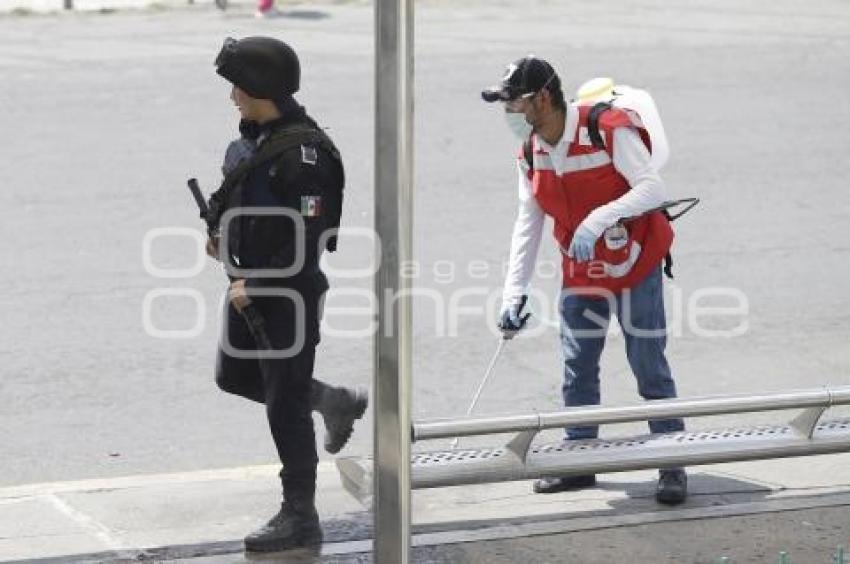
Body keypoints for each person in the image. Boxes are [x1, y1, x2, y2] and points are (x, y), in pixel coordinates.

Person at [482, 56, 688, 505]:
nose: (511, 116)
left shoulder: (608, 128)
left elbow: (651, 188)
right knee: (577, 368)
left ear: (543, 98)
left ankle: (672, 461)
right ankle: (579, 461)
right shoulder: (530, 152)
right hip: (582, 269)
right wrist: (513, 292)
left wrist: (597, 219)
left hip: (635, 260)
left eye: (515, 104)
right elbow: (529, 220)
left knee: (648, 365)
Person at [205, 36, 368, 553]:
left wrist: (257, 283)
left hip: (287, 296)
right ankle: (332, 400)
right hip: (245, 286)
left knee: (283, 404)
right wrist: (222, 239)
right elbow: (244, 204)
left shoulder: (305, 156)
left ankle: (299, 514)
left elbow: (308, 238)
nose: (232, 95)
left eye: (237, 85)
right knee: (234, 376)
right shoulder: (252, 140)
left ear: (259, 86)